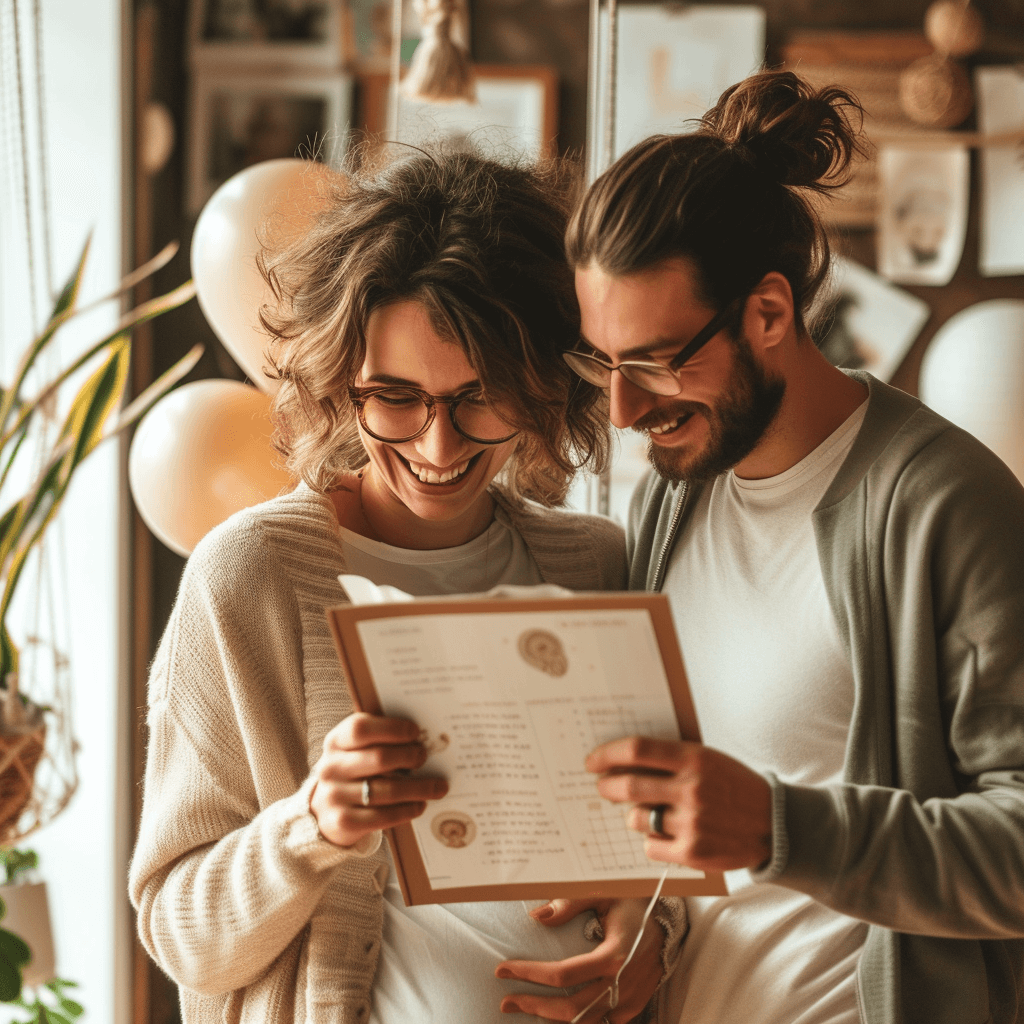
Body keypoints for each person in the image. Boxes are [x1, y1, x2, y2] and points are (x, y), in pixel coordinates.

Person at [128, 150, 681, 1024]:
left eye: (481, 398)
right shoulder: (253, 579)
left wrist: (653, 934)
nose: (437, 446)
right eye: (395, 397)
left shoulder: (595, 566)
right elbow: (177, 931)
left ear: (542, 382)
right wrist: (313, 825)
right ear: (343, 379)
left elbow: (659, 852)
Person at [558, 70, 1024, 1024]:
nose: (623, 408)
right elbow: (686, 839)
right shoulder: (671, 502)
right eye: (602, 363)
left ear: (769, 314)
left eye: (654, 362)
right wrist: (644, 932)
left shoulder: (945, 505)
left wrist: (782, 827)